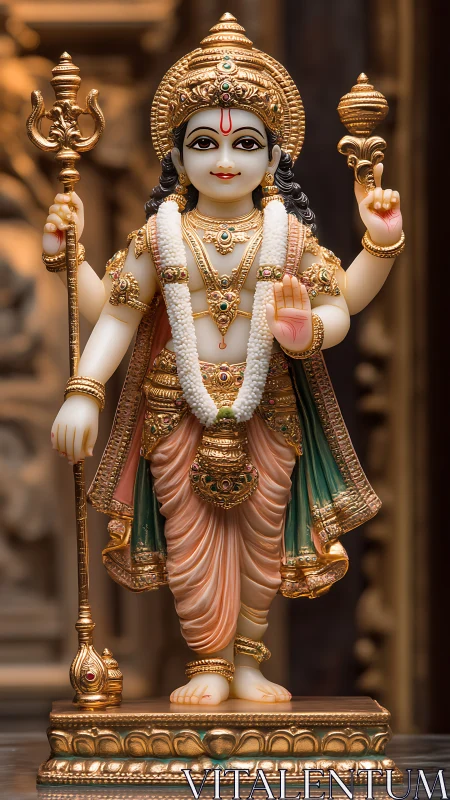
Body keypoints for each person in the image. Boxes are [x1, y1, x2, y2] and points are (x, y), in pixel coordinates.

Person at [42, 14, 404, 705]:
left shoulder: (292, 239)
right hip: (176, 408)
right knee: (191, 537)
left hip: (268, 408)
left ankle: (245, 660)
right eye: (205, 143)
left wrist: (375, 251)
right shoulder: (160, 237)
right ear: (177, 157)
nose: (226, 160)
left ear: (274, 160)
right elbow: (112, 314)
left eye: (245, 144)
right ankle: (207, 661)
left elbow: (344, 301)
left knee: (262, 535)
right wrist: (84, 377)